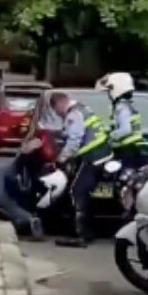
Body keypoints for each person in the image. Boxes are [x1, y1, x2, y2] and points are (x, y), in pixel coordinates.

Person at [52, 92, 114, 248]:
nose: (59, 115)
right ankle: (89, 231)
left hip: (94, 156)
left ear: (59, 104)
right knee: (85, 191)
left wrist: (61, 159)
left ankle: (81, 234)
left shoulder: (73, 114)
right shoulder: (84, 108)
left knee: (76, 191)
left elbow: (74, 140)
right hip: (103, 154)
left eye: (56, 111)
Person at [97, 72, 148, 167]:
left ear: (117, 90)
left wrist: (108, 137)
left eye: (109, 91)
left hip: (129, 149)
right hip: (134, 148)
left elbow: (126, 129)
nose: (108, 95)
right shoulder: (127, 105)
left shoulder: (121, 107)